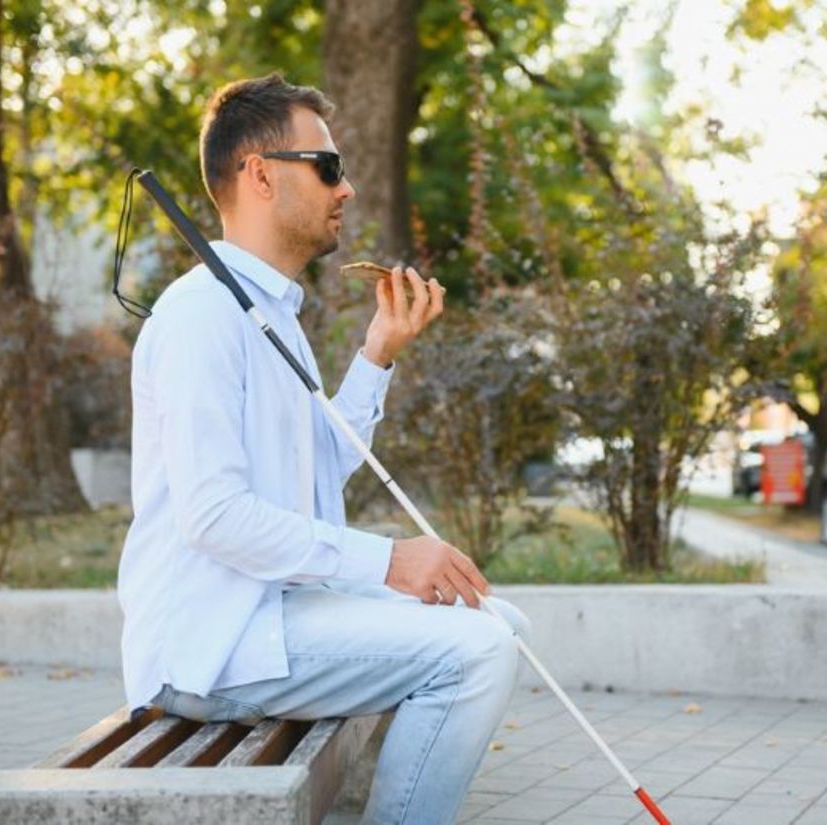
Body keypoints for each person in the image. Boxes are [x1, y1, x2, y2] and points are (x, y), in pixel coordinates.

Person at [117, 73, 529, 824]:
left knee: (502, 623)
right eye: (329, 167)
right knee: (474, 651)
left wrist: (377, 353)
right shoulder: (200, 317)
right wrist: (391, 560)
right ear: (261, 174)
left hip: (273, 610)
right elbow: (214, 516)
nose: (347, 188)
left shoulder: (272, 311)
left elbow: (322, 466)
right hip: (214, 641)